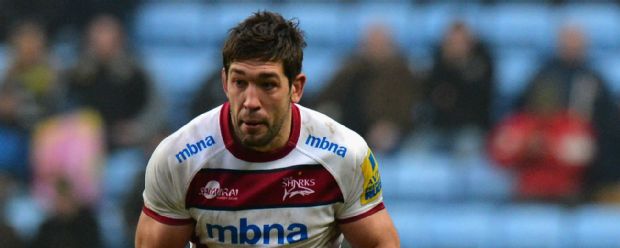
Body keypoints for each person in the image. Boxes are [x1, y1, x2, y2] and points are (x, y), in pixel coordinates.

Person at [135, 11, 399, 247]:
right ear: (225, 82)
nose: (250, 102)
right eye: (240, 82)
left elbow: (379, 242)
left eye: (268, 84)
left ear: (296, 88)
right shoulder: (179, 157)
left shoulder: (344, 154)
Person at [488, 25, 620, 203]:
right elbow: (500, 152)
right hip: (529, 192)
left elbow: (585, 151)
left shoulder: (593, 80)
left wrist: (549, 146)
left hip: (570, 189)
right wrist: (527, 147)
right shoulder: (540, 80)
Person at [313, 23, 422, 154]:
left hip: (391, 131)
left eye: (380, 43)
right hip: (351, 127)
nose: (375, 48)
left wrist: (392, 125)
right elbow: (327, 96)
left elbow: (408, 107)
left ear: (391, 45)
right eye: (371, 43)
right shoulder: (351, 69)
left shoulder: (402, 73)